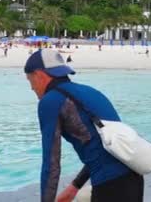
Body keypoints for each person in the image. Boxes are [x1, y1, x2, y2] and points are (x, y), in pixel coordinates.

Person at [24, 49, 144, 202]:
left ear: (39, 75)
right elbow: (108, 147)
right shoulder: (91, 92)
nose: (31, 88)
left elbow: (51, 163)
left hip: (110, 185)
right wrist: (74, 186)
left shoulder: (49, 102)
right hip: (133, 176)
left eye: (30, 80)